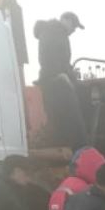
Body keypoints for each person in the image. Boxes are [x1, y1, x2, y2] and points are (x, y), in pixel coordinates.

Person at [33, 11, 87, 150]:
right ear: (66, 20)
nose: (74, 30)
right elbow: (48, 57)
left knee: (61, 122)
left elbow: (60, 60)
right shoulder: (54, 31)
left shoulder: (53, 31)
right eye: (73, 26)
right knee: (75, 125)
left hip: (53, 80)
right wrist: (60, 75)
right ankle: (80, 153)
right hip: (56, 82)